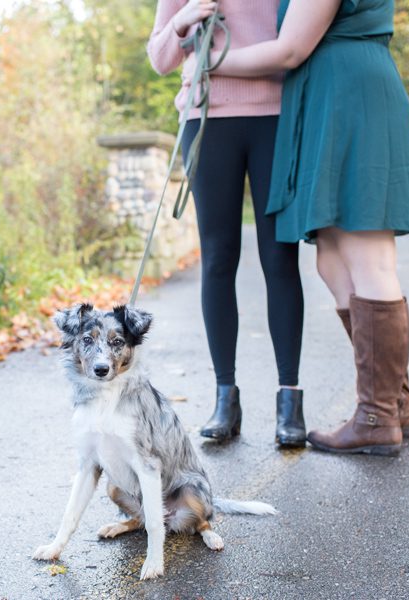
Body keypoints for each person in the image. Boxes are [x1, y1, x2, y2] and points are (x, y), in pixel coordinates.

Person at [192, 0, 409, 455]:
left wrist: (208, 62)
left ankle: (376, 416)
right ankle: (395, 404)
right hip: (327, 96)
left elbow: (289, 50)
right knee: (333, 261)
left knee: (368, 255)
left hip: (352, 94)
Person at [147, 0, 307, 446]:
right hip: (206, 121)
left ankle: (289, 400)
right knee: (218, 257)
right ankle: (225, 397)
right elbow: (161, 60)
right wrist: (181, 21)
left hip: (275, 118)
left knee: (280, 256)